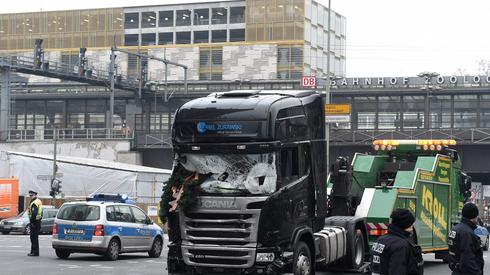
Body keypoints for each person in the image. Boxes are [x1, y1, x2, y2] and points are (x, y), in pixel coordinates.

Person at [371, 208, 424, 275]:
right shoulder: (401, 246)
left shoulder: (380, 240)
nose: (412, 228)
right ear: (405, 225)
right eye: (411, 225)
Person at [448, 202, 484, 275]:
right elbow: (467, 260)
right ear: (474, 216)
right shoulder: (467, 233)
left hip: (456, 270)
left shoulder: (455, 229)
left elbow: (452, 255)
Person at [27, 190, 43, 256]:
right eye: (30, 195)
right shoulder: (38, 201)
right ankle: (34, 251)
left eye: (32, 195)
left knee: (33, 237)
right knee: (35, 237)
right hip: (37, 222)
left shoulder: (34, 203)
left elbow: (34, 214)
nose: (30, 196)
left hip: (34, 223)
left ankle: (34, 252)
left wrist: (33, 223)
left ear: (35, 195)